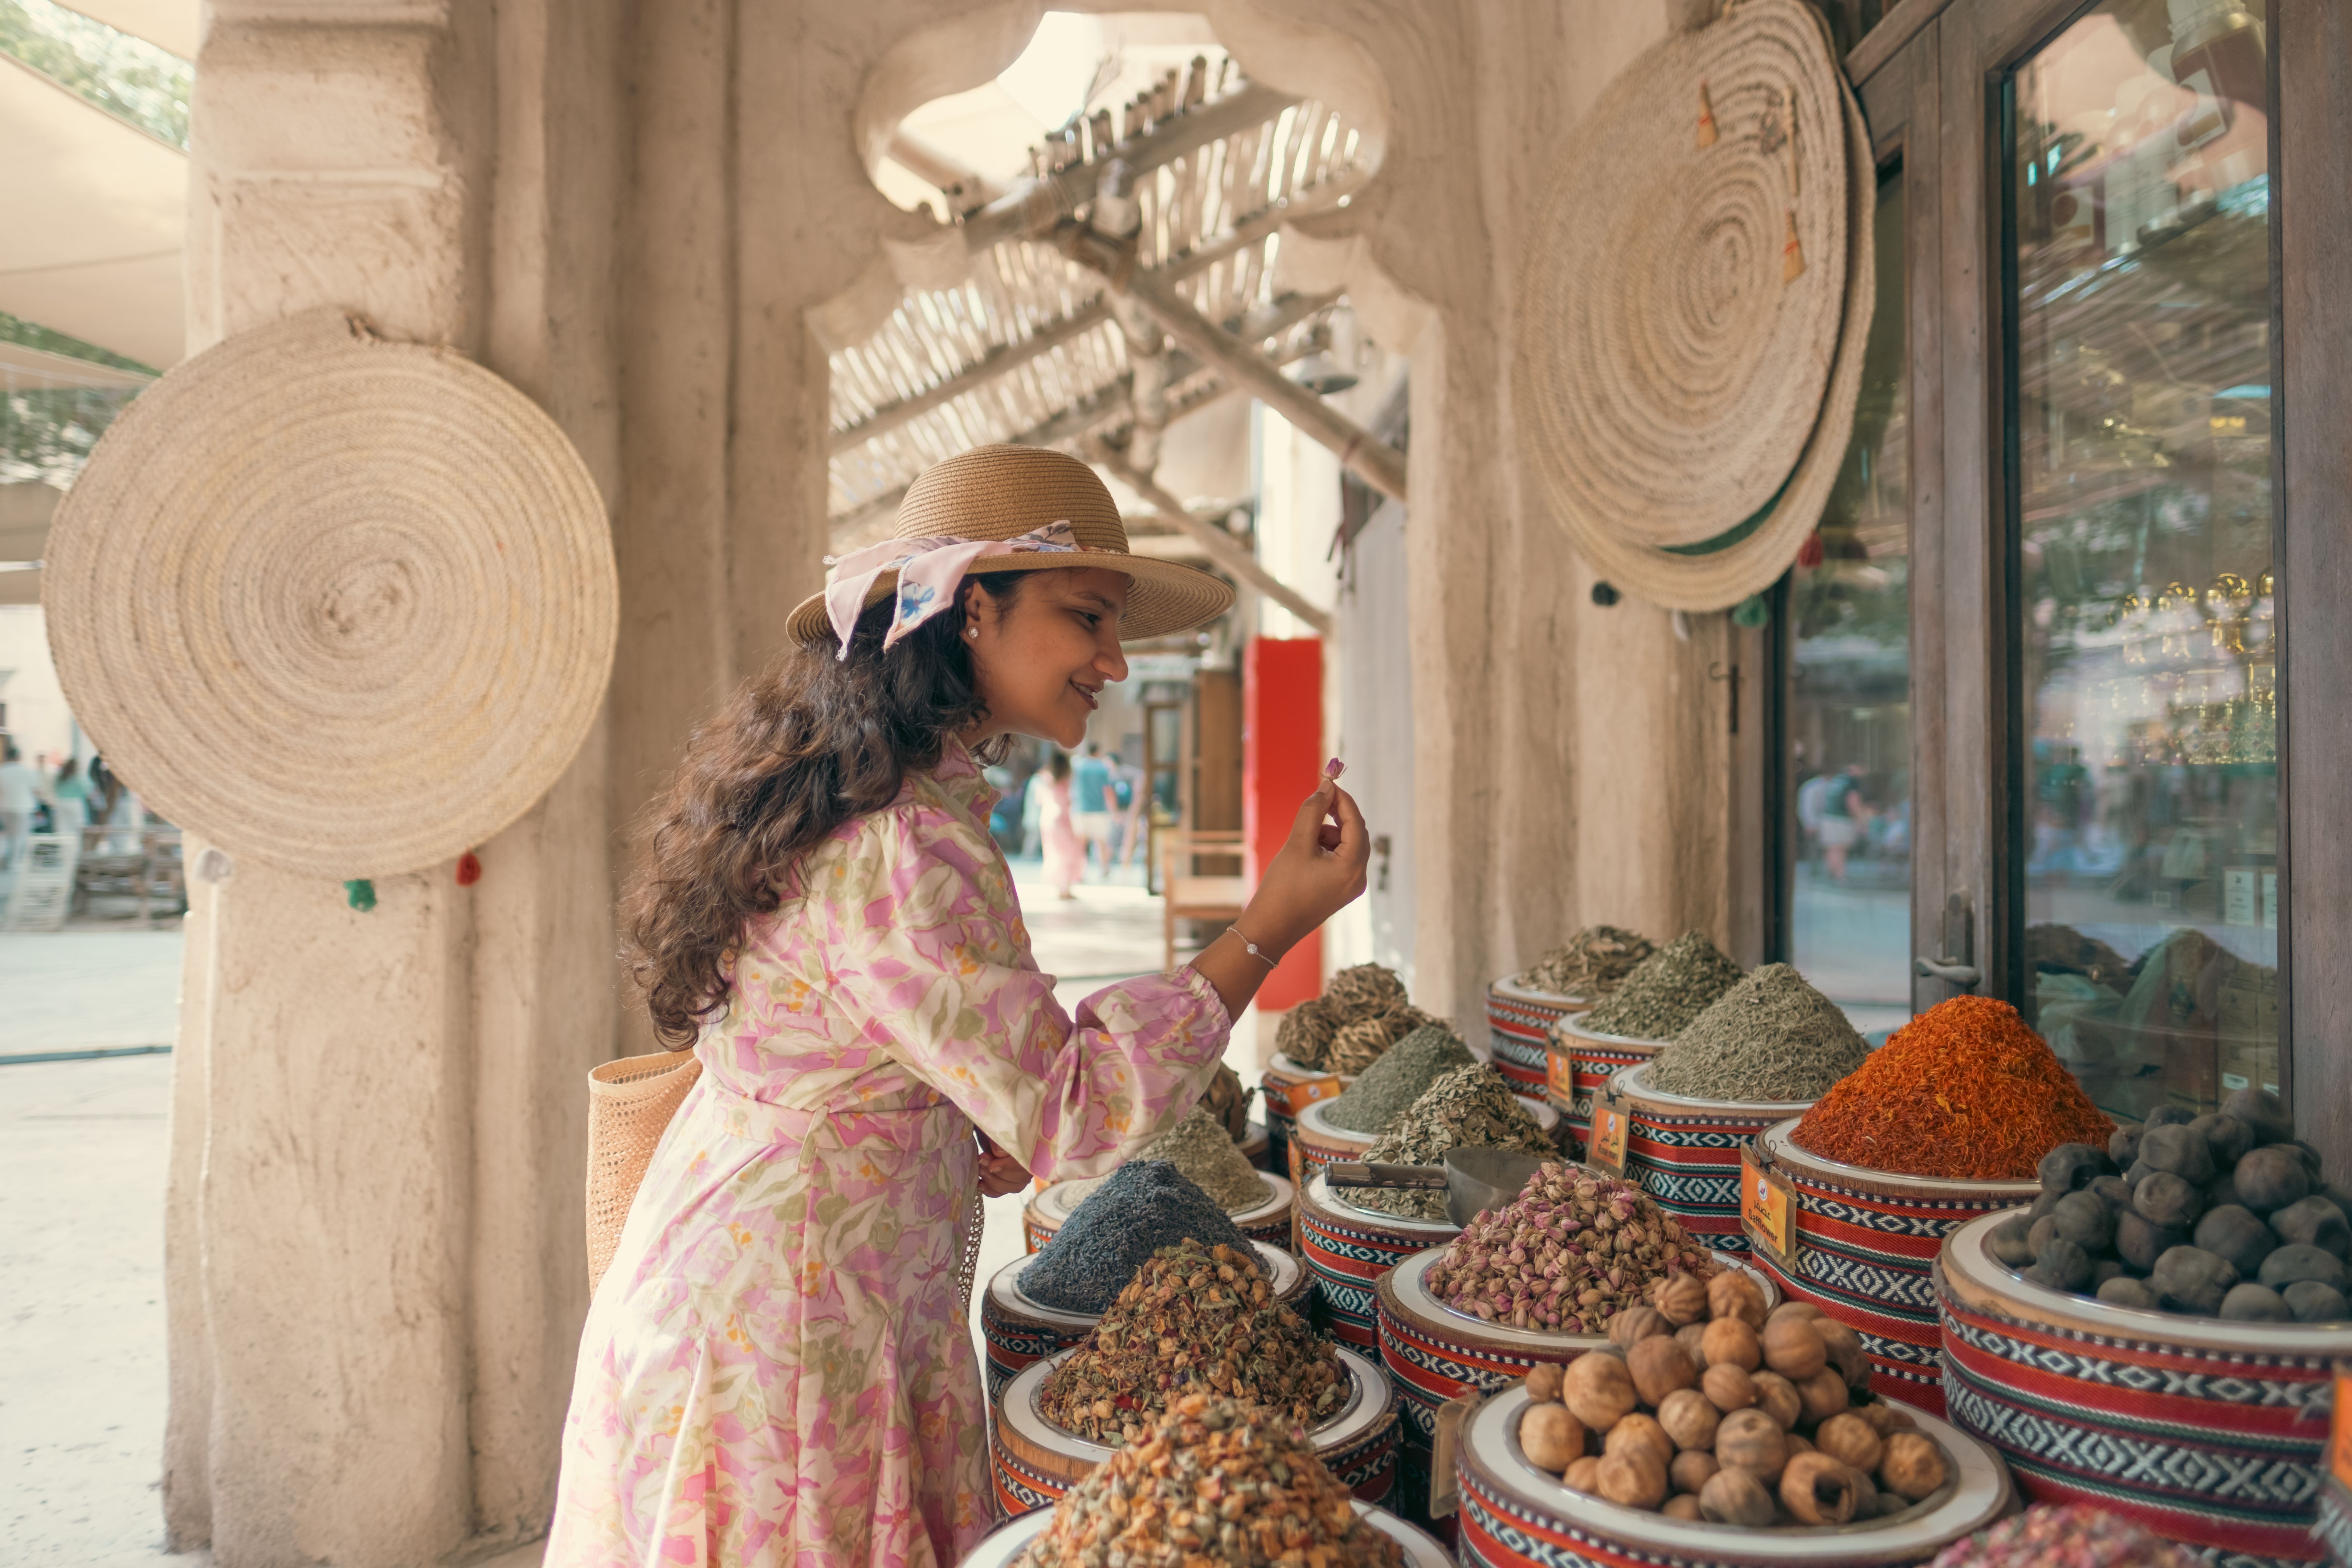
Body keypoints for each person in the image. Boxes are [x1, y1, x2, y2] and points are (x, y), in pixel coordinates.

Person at [545, 445, 1369, 1568]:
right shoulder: (906, 843)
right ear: (975, 610)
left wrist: (939, 1115)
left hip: (766, 1295)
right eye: (1090, 618)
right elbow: (1077, 1110)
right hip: (795, 1339)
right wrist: (1269, 922)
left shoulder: (871, 792)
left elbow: (857, 1041)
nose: (1116, 663)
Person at [1038, 749, 1083, 898]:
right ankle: (1066, 888)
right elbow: (1070, 800)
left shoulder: (1047, 778)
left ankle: (1060, 887)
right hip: (1062, 818)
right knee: (1069, 853)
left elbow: (1039, 800)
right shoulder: (1067, 780)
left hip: (1048, 818)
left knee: (1054, 852)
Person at [1071, 739, 1115, 877]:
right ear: (1098, 752)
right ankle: (1104, 868)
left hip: (1081, 809)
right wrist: (1114, 810)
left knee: (1082, 844)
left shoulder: (1080, 767)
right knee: (1102, 842)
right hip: (1100, 810)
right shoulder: (1103, 768)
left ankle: (1081, 871)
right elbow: (1108, 790)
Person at [0, 741, 44, 870]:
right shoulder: (27, 771)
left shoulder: (2, 771)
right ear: (19, 757)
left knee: (9, 834)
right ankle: (14, 862)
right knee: (20, 835)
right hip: (23, 807)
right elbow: (37, 790)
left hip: (5, 807)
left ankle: (8, 859)